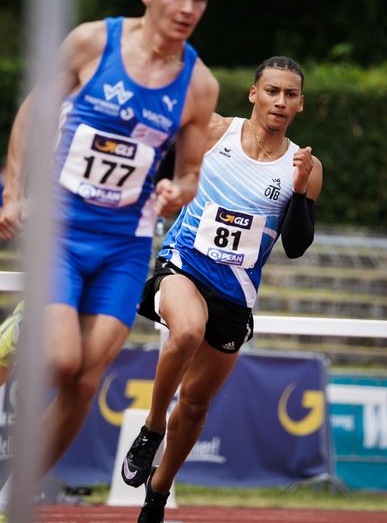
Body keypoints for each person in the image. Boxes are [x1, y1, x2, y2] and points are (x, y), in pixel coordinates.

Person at [0, 0, 219, 512]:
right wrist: (13, 190)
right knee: (63, 357)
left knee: (85, 379)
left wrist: (180, 189)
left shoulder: (199, 85)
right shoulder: (94, 42)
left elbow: (193, 170)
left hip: (125, 246)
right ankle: (19, 334)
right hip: (61, 231)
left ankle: (13, 495)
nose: (187, 8)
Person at [121, 56, 323, 523]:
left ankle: (157, 494)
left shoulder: (306, 166)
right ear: (254, 93)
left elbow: (296, 245)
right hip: (183, 267)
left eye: (290, 94)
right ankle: (151, 429)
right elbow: (162, 164)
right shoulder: (216, 131)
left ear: (300, 105)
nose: (280, 101)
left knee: (193, 407)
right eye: (272, 90)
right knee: (187, 331)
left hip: (234, 295)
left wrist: (295, 190)